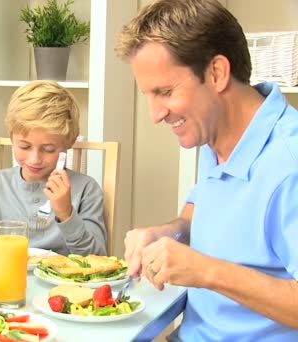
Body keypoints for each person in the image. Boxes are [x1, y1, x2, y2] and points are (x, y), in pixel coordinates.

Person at [116, 0, 298, 340]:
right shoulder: (217, 136)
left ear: (216, 73)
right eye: (149, 96)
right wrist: (171, 231)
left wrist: (205, 270)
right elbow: (203, 208)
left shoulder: (289, 163)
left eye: (165, 92)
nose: (155, 114)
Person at [0, 80, 106, 256]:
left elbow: (98, 258)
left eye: (48, 149)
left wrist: (66, 213)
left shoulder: (86, 189)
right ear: (12, 137)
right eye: (25, 147)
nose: (35, 159)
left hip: (61, 282)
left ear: (70, 142)